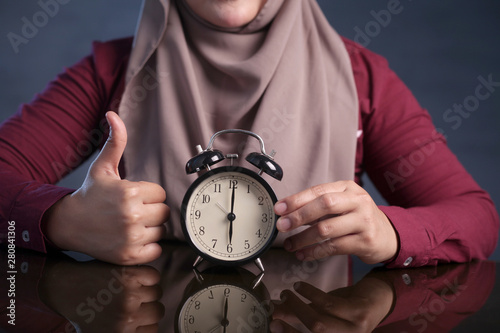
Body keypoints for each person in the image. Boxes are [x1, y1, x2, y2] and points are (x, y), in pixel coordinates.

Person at [0, 0, 498, 268]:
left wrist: (390, 232)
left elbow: (476, 215)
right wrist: (60, 218)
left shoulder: (359, 76)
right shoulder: (113, 72)